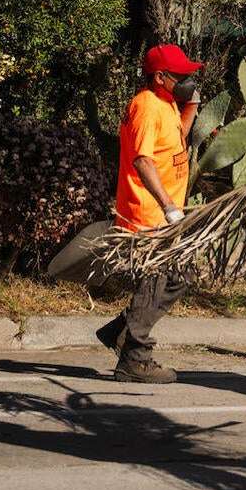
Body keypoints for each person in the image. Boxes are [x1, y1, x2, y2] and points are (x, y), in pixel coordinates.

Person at [95, 44, 202, 384]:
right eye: (181, 76)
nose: (188, 81)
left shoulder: (167, 103)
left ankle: (121, 330)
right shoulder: (145, 106)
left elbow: (173, 142)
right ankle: (135, 357)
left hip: (163, 213)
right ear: (159, 77)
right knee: (157, 281)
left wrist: (192, 106)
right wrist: (168, 206)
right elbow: (143, 160)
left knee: (180, 276)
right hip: (148, 212)